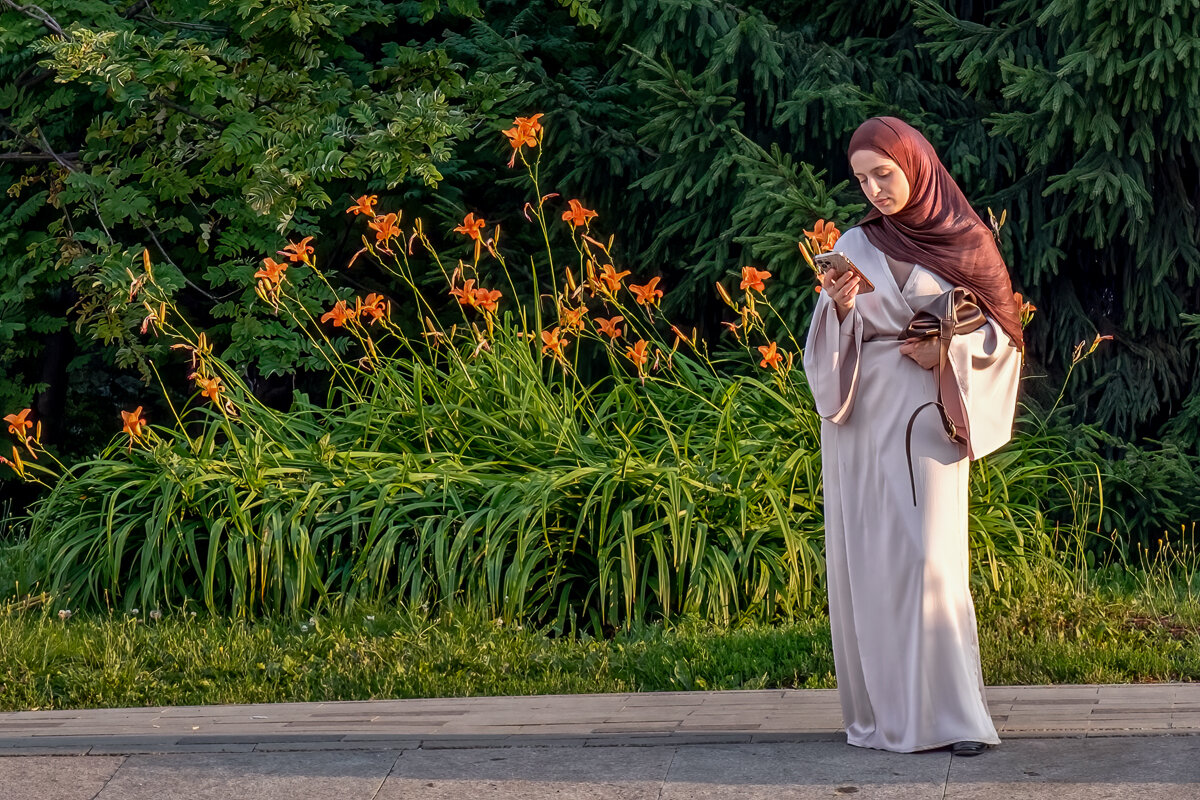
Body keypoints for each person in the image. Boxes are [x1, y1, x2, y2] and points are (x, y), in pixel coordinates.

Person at [802, 116, 1024, 756]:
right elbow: (824, 345)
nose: (874, 189)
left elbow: (1003, 337)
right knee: (873, 561)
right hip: (863, 419)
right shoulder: (856, 241)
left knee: (931, 559)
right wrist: (840, 305)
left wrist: (947, 353)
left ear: (916, 167)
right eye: (862, 179)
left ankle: (953, 717)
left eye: (884, 174)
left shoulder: (967, 241)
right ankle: (887, 714)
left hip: (931, 416)